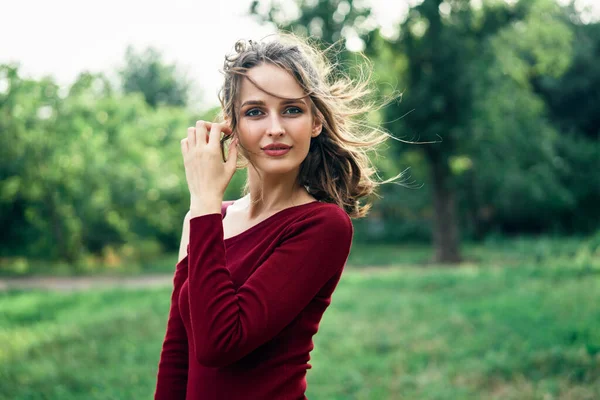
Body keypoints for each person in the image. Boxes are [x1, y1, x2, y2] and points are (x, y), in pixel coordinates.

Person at [154, 33, 401, 400]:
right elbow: (178, 354)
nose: (275, 128)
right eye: (255, 112)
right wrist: (204, 208)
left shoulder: (323, 226)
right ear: (232, 127)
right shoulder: (205, 218)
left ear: (315, 122)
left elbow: (220, 343)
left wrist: (204, 201)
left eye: (291, 109)